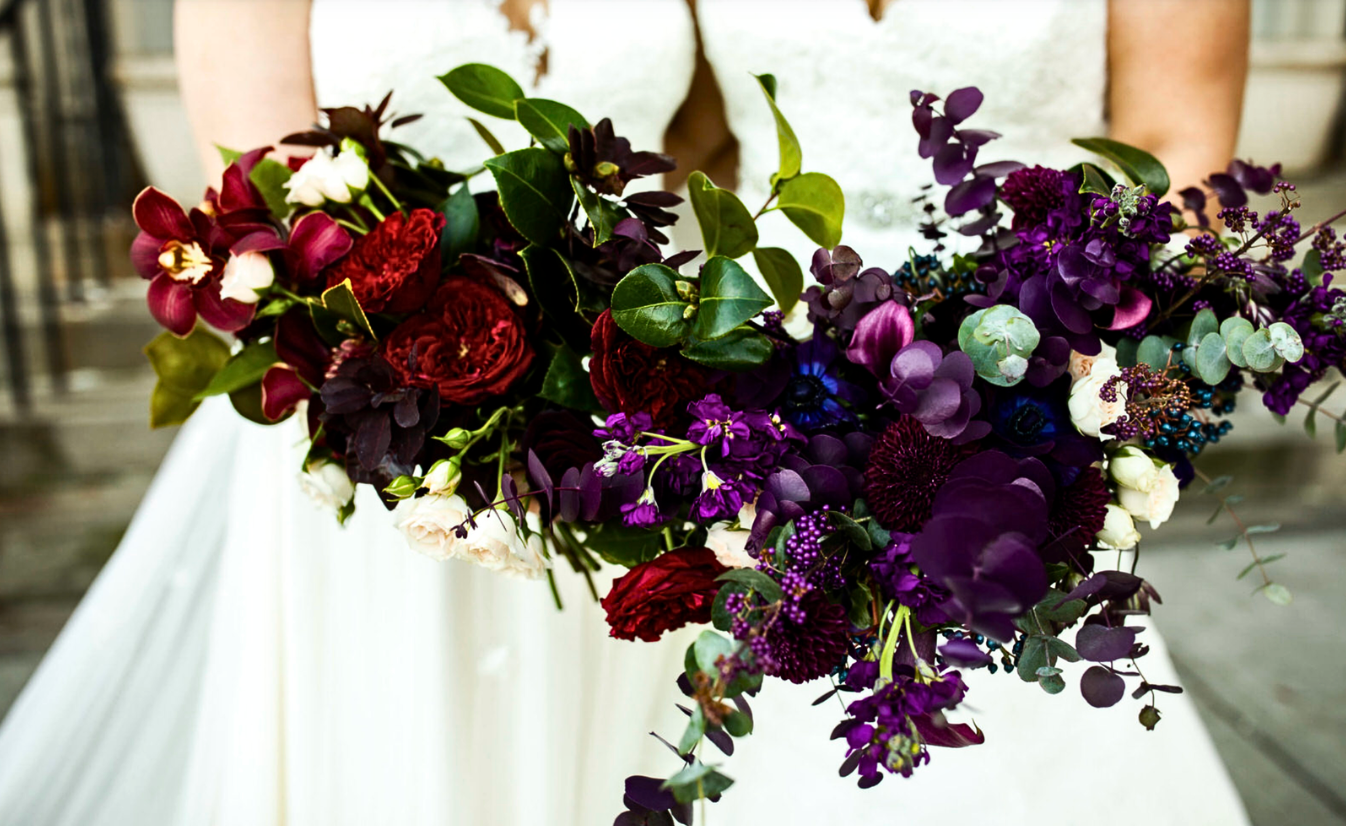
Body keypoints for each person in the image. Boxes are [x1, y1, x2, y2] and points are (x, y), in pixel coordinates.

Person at [0, 1, 1252, 824]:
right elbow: (258, 183)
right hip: (453, 429)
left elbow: (1178, 153)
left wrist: (1076, 400)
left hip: (932, 393)